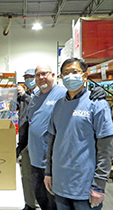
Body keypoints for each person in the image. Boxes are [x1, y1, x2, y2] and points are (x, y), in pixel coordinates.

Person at [27, 63, 107, 210]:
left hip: (75, 176)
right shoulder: (39, 97)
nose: (41, 77)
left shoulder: (63, 94)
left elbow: (105, 147)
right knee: (44, 200)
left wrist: (99, 184)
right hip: (41, 164)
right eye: (37, 75)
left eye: (44, 73)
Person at [16, 68, 39, 210]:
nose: (28, 79)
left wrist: (24, 95)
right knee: (27, 175)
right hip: (25, 139)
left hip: (38, 142)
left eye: (31, 76)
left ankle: (38, 202)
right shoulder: (27, 95)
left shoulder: (39, 94)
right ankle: (29, 203)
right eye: (26, 77)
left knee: (39, 175)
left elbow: (36, 105)